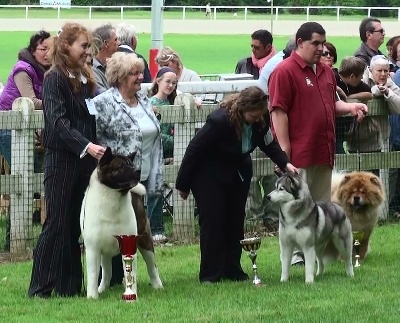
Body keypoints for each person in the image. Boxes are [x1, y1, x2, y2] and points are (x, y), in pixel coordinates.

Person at [175, 86, 298, 284]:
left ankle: (233, 269)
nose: (258, 119)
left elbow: (270, 144)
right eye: (254, 115)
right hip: (209, 175)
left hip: (238, 174)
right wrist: (183, 184)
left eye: (261, 115)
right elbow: (194, 151)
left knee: (235, 222)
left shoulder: (260, 120)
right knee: (213, 223)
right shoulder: (219, 121)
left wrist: (286, 163)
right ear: (242, 110)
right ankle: (210, 274)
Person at [268, 22, 368, 265]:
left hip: (323, 151)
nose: (322, 49)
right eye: (316, 43)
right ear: (300, 42)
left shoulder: (325, 72)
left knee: (319, 208)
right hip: (298, 154)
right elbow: (278, 112)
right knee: (296, 207)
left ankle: (316, 255)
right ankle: (295, 258)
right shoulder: (284, 71)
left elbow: (331, 106)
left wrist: (351, 106)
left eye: (324, 43)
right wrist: (284, 152)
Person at [28, 22, 106, 298]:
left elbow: (91, 117)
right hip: (61, 161)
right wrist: (86, 145)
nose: (88, 51)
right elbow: (57, 121)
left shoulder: (85, 77)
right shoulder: (54, 78)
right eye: (83, 46)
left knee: (74, 223)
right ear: (66, 46)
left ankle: (69, 286)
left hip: (84, 162)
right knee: (56, 223)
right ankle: (40, 287)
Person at [93, 51, 164, 285]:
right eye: (133, 73)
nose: (139, 77)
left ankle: (148, 277)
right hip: (119, 183)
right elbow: (95, 139)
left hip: (144, 175)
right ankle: (114, 280)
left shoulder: (143, 98)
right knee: (123, 229)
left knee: (140, 228)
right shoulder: (103, 102)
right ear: (120, 76)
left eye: (140, 72)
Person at [0, 30, 51, 168]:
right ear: (33, 51)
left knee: (36, 169)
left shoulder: (46, 70)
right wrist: (57, 104)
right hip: (8, 126)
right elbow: (32, 102)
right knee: (24, 169)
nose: (48, 53)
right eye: (43, 49)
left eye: (51, 49)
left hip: (28, 124)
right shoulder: (23, 69)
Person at [335, 56, 373, 154]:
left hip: (345, 129)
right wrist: (339, 90)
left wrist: (351, 96)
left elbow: (369, 94)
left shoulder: (355, 83)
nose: (361, 79)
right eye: (360, 76)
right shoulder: (333, 78)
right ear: (352, 76)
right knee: (340, 158)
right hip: (333, 129)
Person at [92, 24, 120, 94]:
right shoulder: (93, 69)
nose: (119, 43)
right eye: (115, 40)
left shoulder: (114, 65)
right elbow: (103, 97)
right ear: (106, 43)